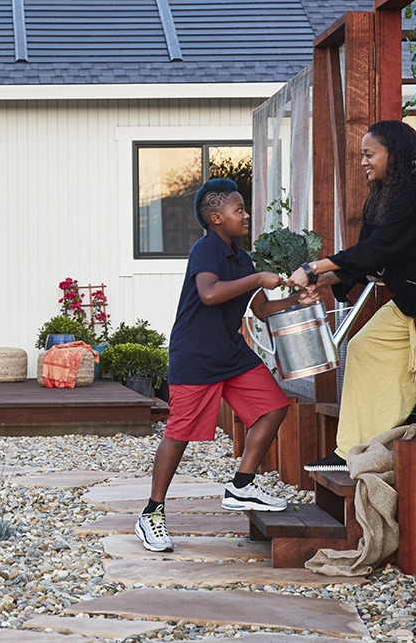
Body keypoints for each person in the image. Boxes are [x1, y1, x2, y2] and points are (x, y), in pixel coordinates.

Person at [135, 178, 319, 552]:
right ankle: (151, 512)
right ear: (216, 217)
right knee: (179, 434)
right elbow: (209, 293)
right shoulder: (206, 249)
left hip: (232, 354)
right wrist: (256, 278)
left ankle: (241, 485)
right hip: (196, 355)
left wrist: (298, 302)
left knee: (273, 407)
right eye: (239, 210)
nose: (247, 214)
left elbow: (263, 310)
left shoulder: (241, 257)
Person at [286, 119, 416, 472]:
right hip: (409, 305)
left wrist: (313, 267)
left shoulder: (414, 195)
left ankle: (413, 419)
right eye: (362, 155)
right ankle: (350, 450)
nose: (363, 162)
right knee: (361, 347)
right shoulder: (380, 200)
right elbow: (364, 258)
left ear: (395, 154)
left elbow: (379, 250)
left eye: (369, 154)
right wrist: (326, 281)